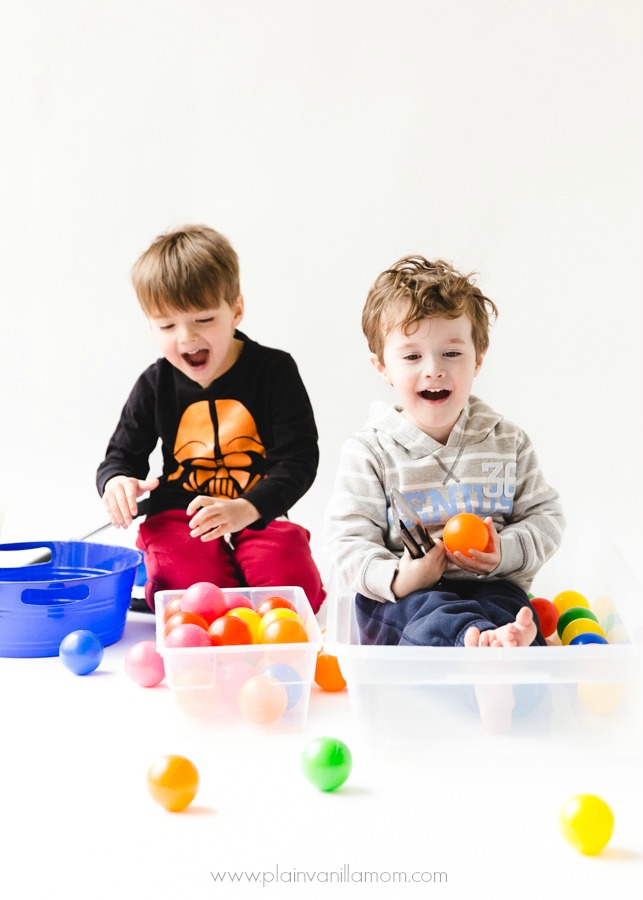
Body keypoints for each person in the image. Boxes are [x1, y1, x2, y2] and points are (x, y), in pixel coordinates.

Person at [325, 256, 565, 648]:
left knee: (513, 613)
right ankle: (480, 649)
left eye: (451, 354)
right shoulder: (370, 451)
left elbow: (546, 517)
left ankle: (504, 657)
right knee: (432, 617)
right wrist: (402, 577)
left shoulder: (508, 442)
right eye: (412, 356)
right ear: (382, 367)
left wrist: (502, 552)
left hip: (490, 588)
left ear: (478, 359)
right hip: (403, 599)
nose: (434, 369)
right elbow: (346, 542)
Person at [97, 225, 325, 613]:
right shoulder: (155, 384)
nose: (186, 338)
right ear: (150, 325)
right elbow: (121, 456)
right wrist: (116, 482)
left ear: (236, 310)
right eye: (167, 326)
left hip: (258, 511)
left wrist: (246, 509)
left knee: (294, 594)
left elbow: (298, 460)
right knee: (192, 597)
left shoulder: (274, 371)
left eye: (203, 319)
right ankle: (174, 573)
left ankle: (241, 565)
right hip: (181, 517)